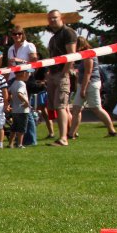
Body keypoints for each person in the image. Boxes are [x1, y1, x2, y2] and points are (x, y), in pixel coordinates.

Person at [70, 37, 117, 138]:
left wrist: (83, 89)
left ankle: (112, 130)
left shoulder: (88, 54)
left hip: (91, 84)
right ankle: (71, 134)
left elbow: (88, 73)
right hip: (82, 84)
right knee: (76, 109)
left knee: (96, 108)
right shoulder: (83, 55)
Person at [45, 10, 77, 146]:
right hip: (53, 74)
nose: (53, 20)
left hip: (62, 74)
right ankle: (66, 134)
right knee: (57, 107)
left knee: (61, 106)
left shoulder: (68, 32)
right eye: (50, 19)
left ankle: (64, 138)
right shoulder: (53, 37)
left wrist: (64, 72)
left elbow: (72, 54)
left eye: (55, 18)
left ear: (61, 18)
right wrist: (49, 73)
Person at [7, 67, 32, 148]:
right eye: (28, 73)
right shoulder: (22, 83)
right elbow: (19, 93)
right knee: (22, 128)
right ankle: (20, 144)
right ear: (23, 74)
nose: (29, 75)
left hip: (15, 110)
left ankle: (10, 143)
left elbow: (9, 92)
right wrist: (26, 102)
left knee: (14, 128)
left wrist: (11, 101)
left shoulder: (14, 82)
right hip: (22, 110)